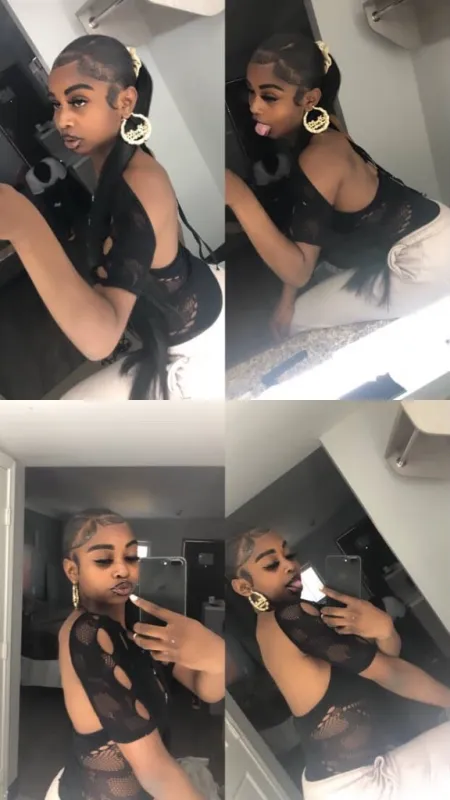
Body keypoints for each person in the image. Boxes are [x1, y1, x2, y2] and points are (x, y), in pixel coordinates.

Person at [0, 35, 224, 400]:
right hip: (175, 303)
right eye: (56, 104)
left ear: (125, 102)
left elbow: (100, 341)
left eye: (78, 101)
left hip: (191, 331)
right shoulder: (120, 161)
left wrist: (25, 226)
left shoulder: (139, 183)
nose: (61, 119)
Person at [225, 34, 450, 341]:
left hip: (424, 261)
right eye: (251, 92)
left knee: (298, 319)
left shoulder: (320, 157)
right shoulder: (326, 126)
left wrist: (240, 198)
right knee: (320, 278)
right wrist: (286, 297)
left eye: (270, 97)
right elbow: (307, 231)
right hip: (436, 227)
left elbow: (298, 272)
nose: (254, 107)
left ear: (310, 99)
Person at [226, 528, 450, 800]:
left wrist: (385, 631)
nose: (289, 566)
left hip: (349, 781)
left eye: (290, 555)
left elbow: (386, 662)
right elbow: (389, 673)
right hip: (361, 785)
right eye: (272, 564)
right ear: (243, 586)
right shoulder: (289, 616)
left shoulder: (290, 619)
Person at [45, 508, 225, 800]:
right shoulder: (88, 632)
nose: (122, 570)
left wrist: (215, 655)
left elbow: (206, 689)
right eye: (104, 560)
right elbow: (155, 771)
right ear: (72, 570)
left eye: (131, 556)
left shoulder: (137, 624)